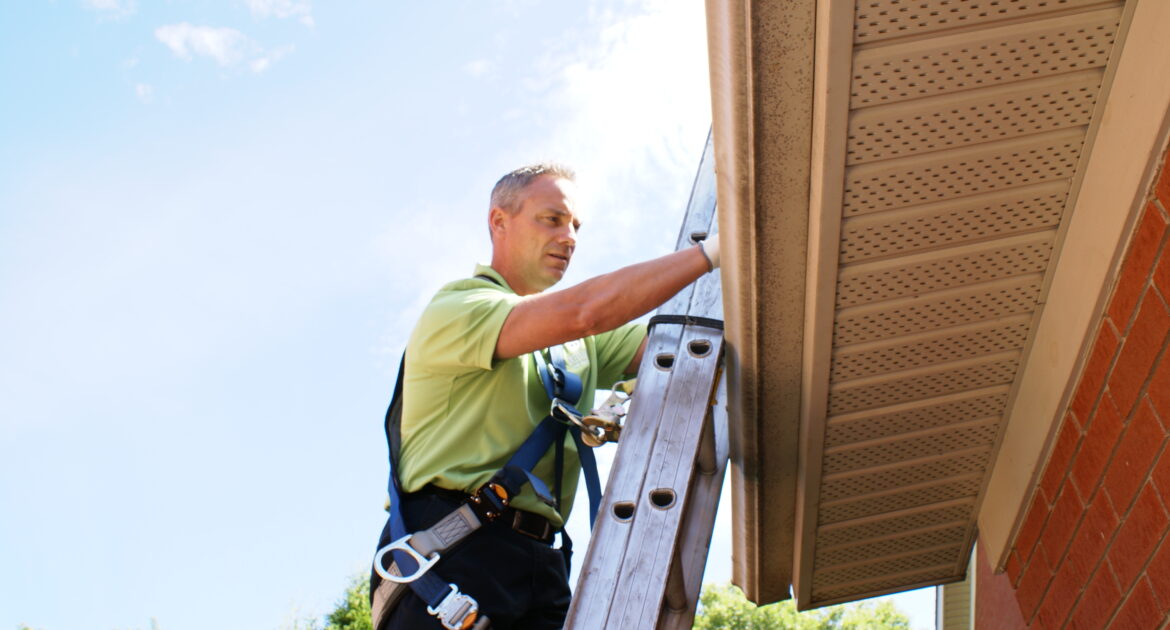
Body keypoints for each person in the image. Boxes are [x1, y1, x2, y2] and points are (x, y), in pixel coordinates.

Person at [373, 163, 720, 629]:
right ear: (499, 221)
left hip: (543, 564)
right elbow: (586, 311)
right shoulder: (458, 309)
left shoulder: (578, 345)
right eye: (552, 219)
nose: (570, 237)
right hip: (454, 552)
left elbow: (683, 353)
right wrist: (715, 252)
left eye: (575, 225)